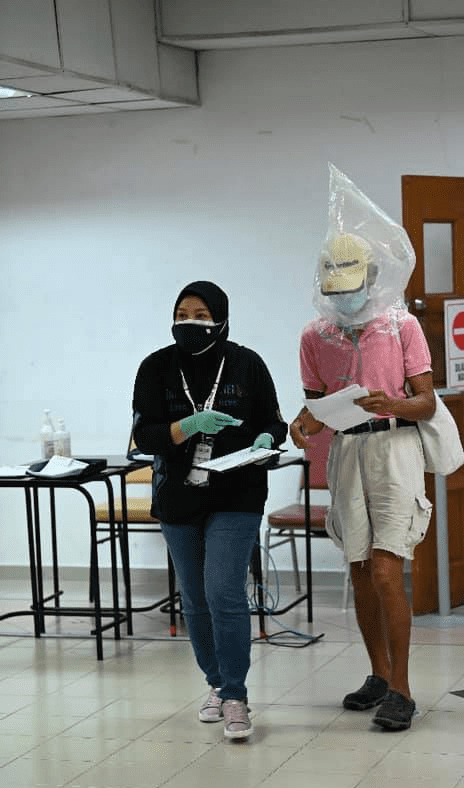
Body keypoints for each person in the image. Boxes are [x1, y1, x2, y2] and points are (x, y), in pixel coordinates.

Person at [290, 234, 435, 731]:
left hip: (394, 449)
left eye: (351, 287)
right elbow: (316, 407)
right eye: (334, 290)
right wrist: (303, 424)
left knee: (386, 572)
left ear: (372, 280)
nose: (343, 297)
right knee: (359, 569)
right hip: (347, 451)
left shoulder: (401, 326)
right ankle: (377, 674)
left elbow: (427, 403)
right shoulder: (316, 336)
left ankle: (403, 688)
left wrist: (391, 403)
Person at [132, 281, 287, 738]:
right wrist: (190, 425)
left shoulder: (246, 363)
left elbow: (273, 422)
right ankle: (217, 684)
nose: (190, 322)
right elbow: (146, 436)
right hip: (180, 496)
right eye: (183, 313)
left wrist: (266, 440)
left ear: (220, 319)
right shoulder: (156, 367)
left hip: (236, 493)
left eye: (201, 315)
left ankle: (236, 696)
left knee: (223, 591)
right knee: (195, 600)